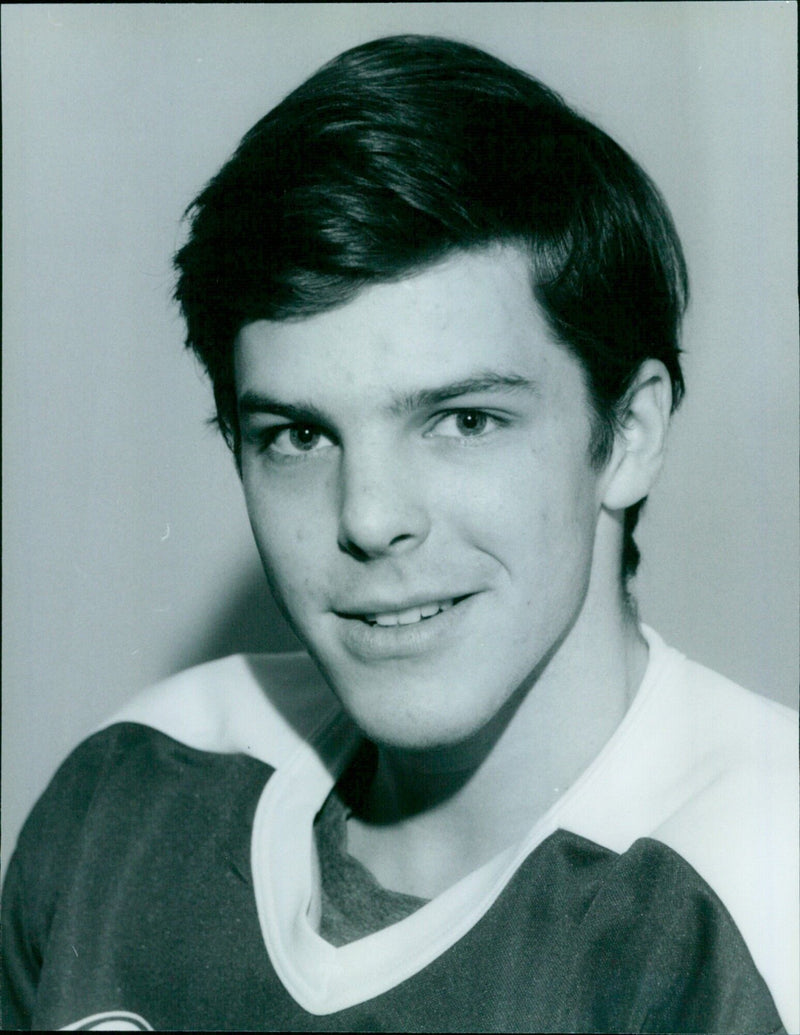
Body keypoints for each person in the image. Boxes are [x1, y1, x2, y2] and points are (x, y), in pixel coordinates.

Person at [2, 34, 796, 1034]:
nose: (368, 517)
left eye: (462, 421)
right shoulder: (136, 797)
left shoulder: (757, 896)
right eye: (296, 435)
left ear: (626, 436)